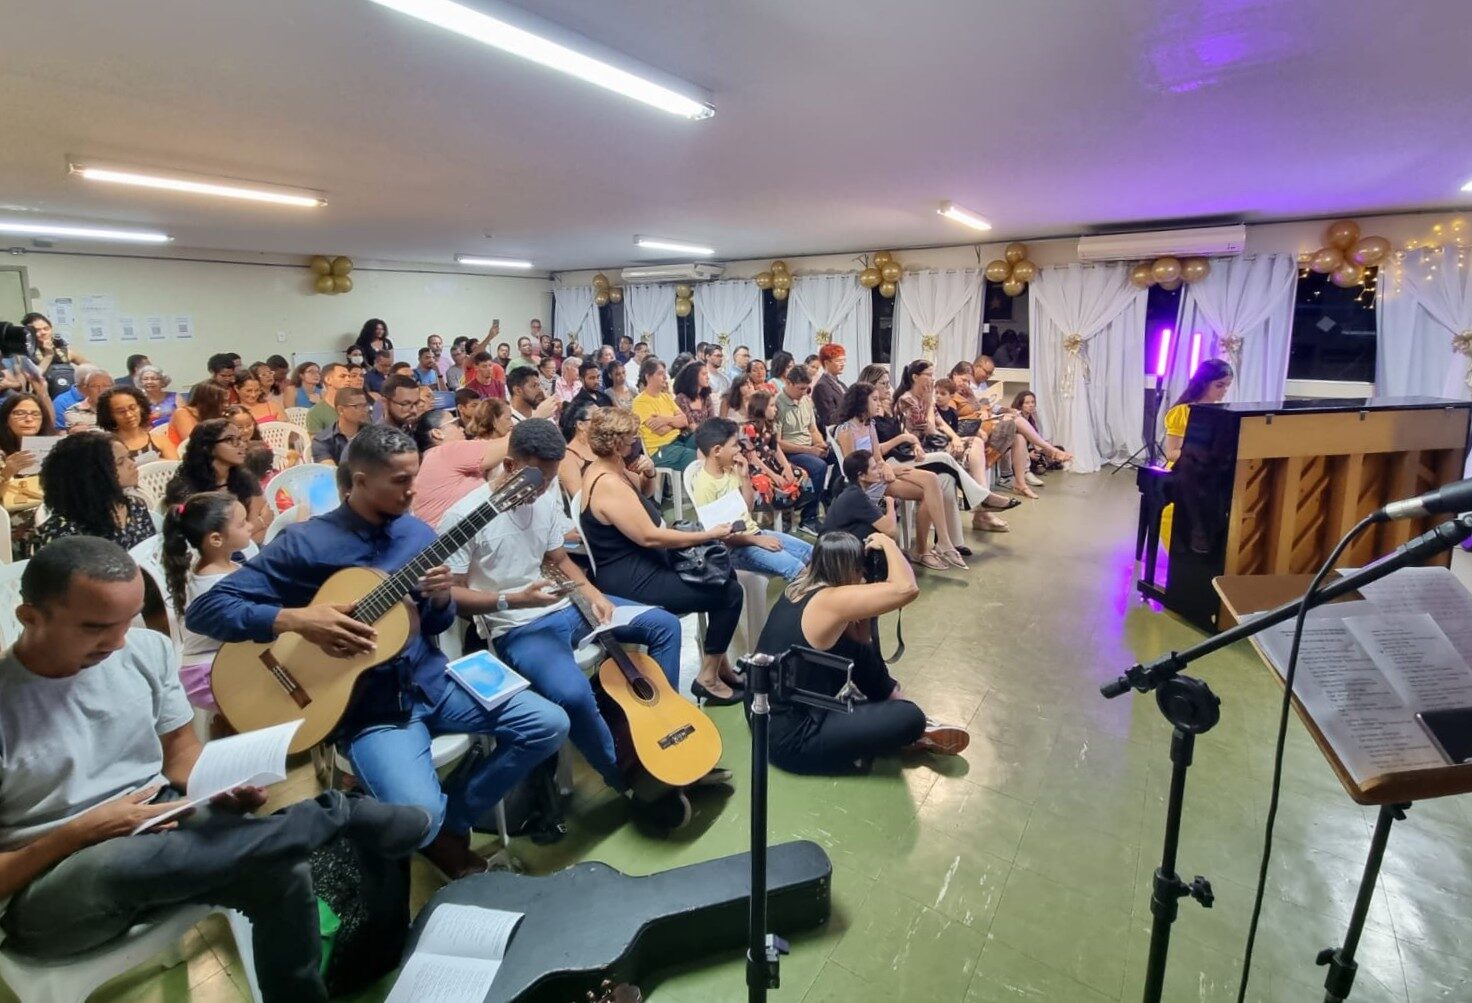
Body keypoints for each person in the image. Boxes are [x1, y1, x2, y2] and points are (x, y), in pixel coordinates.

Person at [0, 537, 434, 1003]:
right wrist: (81, 832)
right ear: (30, 617)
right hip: (46, 886)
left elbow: (180, 756)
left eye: (128, 621)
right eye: (95, 627)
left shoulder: (144, 651)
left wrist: (217, 786)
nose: (118, 641)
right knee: (117, 861)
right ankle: (335, 815)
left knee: (281, 870)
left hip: (155, 821)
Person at [186, 425, 570, 879]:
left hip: (431, 682)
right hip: (366, 708)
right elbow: (207, 611)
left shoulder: (418, 535)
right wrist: (297, 620)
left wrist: (440, 600)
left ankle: (451, 823)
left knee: (548, 724)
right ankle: (428, 825)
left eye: (415, 478)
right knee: (418, 814)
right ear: (360, 481)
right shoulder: (306, 543)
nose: (412, 491)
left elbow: (434, 625)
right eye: (400, 481)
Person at [446, 420, 710, 827]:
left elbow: (558, 559)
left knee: (663, 626)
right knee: (572, 694)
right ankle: (631, 779)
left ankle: (662, 731)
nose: (543, 489)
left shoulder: (544, 493)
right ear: (511, 466)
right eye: (538, 479)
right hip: (518, 625)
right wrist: (513, 598)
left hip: (566, 605)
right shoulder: (465, 516)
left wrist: (593, 593)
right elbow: (453, 595)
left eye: (551, 479)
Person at [753, 531, 968, 775]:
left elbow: (860, 642)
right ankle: (911, 727)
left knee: (858, 651)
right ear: (849, 569)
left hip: (768, 716)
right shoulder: (830, 602)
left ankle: (891, 699)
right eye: (860, 568)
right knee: (911, 717)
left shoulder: (801, 587)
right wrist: (887, 543)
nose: (864, 574)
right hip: (793, 738)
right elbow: (907, 588)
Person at [579, 408, 744, 704]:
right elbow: (650, 535)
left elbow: (644, 498)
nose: (636, 444)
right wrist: (707, 534)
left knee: (721, 568)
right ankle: (708, 676)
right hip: (632, 578)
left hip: (643, 562)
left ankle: (719, 666)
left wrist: (650, 473)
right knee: (729, 593)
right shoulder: (607, 483)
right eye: (631, 439)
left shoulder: (612, 469)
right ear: (617, 445)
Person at [834, 382, 965, 570]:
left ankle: (941, 542)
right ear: (862, 402)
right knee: (927, 488)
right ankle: (926, 550)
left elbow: (878, 457)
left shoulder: (870, 424)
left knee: (932, 480)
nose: (879, 403)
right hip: (865, 482)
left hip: (878, 475)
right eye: (874, 399)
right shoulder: (846, 430)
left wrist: (885, 466)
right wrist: (889, 471)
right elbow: (853, 468)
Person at [161, 491, 252, 710]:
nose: (251, 526)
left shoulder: (224, 566)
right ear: (216, 539)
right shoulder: (213, 582)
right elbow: (245, 625)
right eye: (242, 524)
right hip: (206, 674)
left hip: (222, 659)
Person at [692, 418, 812, 581]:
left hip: (753, 534)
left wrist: (745, 478)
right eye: (734, 445)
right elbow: (720, 537)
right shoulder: (705, 486)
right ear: (717, 450)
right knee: (797, 569)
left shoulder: (730, 470)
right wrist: (757, 541)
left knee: (813, 554)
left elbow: (747, 509)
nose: (739, 449)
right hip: (732, 549)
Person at [35, 433, 155, 550]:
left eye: (128, 457)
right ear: (92, 475)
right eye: (120, 462)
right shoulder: (63, 530)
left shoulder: (136, 506)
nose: (132, 464)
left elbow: (152, 553)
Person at [1160, 359, 1234, 546]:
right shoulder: (1182, 412)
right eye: (1219, 385)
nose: (1224, 390)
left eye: (1227, 386)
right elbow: (1171, 452)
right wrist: (1197, 455)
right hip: (1184, 468)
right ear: (1204, 383)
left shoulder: (1225, 413)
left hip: (1211, 468)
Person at [411, 399, 513, 527]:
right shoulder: (446, 452)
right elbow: (511, 443)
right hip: (455, 535)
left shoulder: (429, 460)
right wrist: (532, 421)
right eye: (455, 424)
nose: (461, 429)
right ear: (437, 433)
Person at [164, 419, 269, 543]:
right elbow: (213, 542)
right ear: (208, 447)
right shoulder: (185, 489)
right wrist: (260, 523)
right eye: (230, 440)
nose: (242, 445)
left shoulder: (243, 477)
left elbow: (266, 513)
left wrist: (253, 528)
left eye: (240, 439)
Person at [772, 365, 828, 536]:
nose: (804, 392)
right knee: (819, 466)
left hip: (808, 447)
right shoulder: (777, 404)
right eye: (800, 388)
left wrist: (821, 444)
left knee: (843, 458)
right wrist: (810, 450)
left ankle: (829, 500)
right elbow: (777, 443)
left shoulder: (806, 401)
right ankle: (808, 517)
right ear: (788, 383)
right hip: (790, 452)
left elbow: (813, 430)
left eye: (806, 389)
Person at [632, 358, 695, 472]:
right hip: (659, 450)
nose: (665, 377)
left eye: (665, 373)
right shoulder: (640, 402)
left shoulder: (665, 397)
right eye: (660, 373)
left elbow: (684, 421)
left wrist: (664, 420)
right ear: (648, 377)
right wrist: (675, 423)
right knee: (692, 456)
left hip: (679, 440)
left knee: (705, 440)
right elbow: (661, 431)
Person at [823, 450, 900, 540]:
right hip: (834, 546)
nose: (879, 471)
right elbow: (890, 530)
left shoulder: (851, 490)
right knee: (879, 533)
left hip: (833, 541)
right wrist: (890, 502)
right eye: (874, 468)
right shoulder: (856, 496)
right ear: (861, 476)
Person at [0, 393, 53, 516]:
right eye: (19, 413)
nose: (29, 419)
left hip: (48, 514)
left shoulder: (55, 449)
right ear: (6, 419)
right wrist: (6, 473)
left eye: (35, 414)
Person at [96, 386, 165, 460]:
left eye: (132, 408)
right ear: (109, 415)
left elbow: (173, 465)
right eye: (121, 411)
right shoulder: (106, 449)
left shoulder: (159, 440)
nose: (129, 415)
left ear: (141, 407)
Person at [311, 386, 370, 465]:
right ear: (341, 410)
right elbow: (329, 469)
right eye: (357, 406)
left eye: (365, 405)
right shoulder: (322, 441)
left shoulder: (372, 434)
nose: (364, 410)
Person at [167, 379, 229, 448]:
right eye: (223, 402)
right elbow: (193, 443)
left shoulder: (214, 414)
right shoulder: (182, 413)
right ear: (209, 401)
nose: (227, 405)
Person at [53, 365, 112, 430]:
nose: (101, 390)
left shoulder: (117, 406)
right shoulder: (66, 405)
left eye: (106, 386)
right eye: (94, 386)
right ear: (84, 386)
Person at [672, 354, 716, 432]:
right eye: (704, 374)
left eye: (707, 374)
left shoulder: (706, 397)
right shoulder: (681, 398)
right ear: (693, 376)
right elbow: (690, 425)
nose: (708, 377)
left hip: (707, 435)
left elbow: (712, 421)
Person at [812, 344, 848, 430]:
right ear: (826, 363)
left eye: (844, 360)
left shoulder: (841, 384)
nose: (843, 364)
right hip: (836, 431)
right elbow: (829, 418)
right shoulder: (822, 386)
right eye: (838, 361)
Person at [304, 363, 349, 433]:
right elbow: (316, 439)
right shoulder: (315, 413)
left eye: (349, 376)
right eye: (342, 376)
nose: (348, 379)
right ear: (328, 380)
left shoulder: (356, 406)